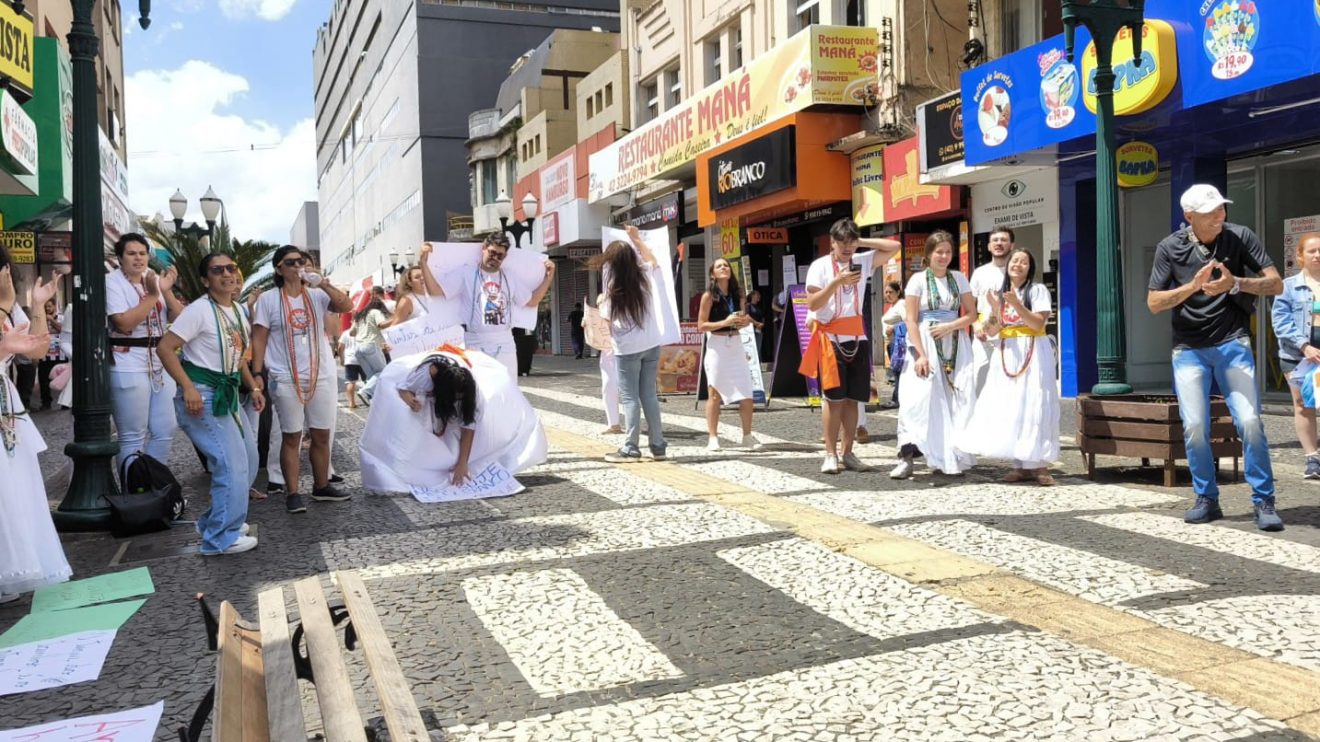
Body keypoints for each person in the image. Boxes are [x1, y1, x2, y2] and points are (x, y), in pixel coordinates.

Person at [1147, 184, 1283, 531]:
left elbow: (1275, 283)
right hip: (1188, 349)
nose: (1220, 216)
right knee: (1194, 427)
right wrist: (1192, 286)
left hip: (1232, 342)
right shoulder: (1169, 248)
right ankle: (1206, 498)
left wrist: (1235, 283)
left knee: (1250, 421)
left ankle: (1264, 500)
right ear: (1189, 217)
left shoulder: (1239, 236)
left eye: (1221, 209)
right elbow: (1154, 303)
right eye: (1211, 213)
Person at [156, 254, 265, 556]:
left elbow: (238, 357)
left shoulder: (238, 311)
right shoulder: (199, 310)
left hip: (227, 392)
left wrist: (252, 386)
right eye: (218, 271)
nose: (227, 274)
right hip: (203, 395)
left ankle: (217, 521)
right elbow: (164, 348)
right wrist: (187, 387)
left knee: (250, 459)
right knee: (231, 465)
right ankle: (220, 538)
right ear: (206, 280)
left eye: (232, 268)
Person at [251, 245, 355, 514]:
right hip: (285, 377)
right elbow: (259, 337)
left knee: (321, 433)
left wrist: (324, 283)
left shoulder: (317, 295)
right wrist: (257, 373)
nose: (297, 266)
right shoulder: (269, 300)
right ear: (279, 269)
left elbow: (347, 306)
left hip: (319, 374)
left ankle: (321, 487)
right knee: (291, 436)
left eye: (301, 261)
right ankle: (293, 492)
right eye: (290, 262)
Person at [359, 347, 547, 491]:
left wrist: (462, 463)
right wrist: (410, 400)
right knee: (411, 421)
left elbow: (469, 426)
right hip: (421, 383)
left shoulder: (473, 391)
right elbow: (402, 388)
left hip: (457, 376)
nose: (458, 400)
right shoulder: (428, 373)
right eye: (454, 398)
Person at [799, 218, 900, 474]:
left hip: (857, 336)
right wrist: (836, 282)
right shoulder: (820, 266)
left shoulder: (862, 260)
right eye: (841, 242)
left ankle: (848, 451)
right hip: (830, 337)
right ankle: (830, 454)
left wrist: (861, 241)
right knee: (834, 399)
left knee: (854, 400)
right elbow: (812, 303)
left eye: (850, 242)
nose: (846, 248)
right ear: (832, 242)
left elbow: (895, 246)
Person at [0, 258, 71, 603]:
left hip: (7, 406)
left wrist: (40, 303)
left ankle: (12, 568)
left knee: (15, 486)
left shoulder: (11, 310)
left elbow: (38, 349)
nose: (7, 277)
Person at [957, 248, 1058, 485]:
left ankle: (1040, 464)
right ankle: (1020, 464)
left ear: (1030, 267)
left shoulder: (1038, 290)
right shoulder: (1002, 294)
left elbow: (1037, 324)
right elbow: (994, 329)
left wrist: (1018, 305)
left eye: (1024, 262)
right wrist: (993, 309)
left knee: (1035, 403)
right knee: (1013, 405)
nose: (1018, 265)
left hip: (1032, 350)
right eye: (1015, 261)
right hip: (1008, 352)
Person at [892, 231, 978, 480]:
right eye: (938, 252)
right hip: (925, 342)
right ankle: (907, 456)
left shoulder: (959, 278)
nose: (943, 256)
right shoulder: (918, 280)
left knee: (954, 399)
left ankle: (947, 456)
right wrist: (920, 354)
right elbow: (910, 318)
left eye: (948, 252)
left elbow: (972, 314)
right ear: (928, 254)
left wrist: (950, 327)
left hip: (955, 342)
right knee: (916, 400)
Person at [420, 233, 556, 379]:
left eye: (500, 256)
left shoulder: (509, 276)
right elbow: (435, 291)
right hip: (476, 342)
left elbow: (532, 301)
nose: (495, 258)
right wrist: (423, 262)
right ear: (484, 248)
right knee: (480, 392)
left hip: (504, 343)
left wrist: (549, 277)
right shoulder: (467, 272)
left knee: (507, 389)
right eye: (492, 253)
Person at [590, 225, 669, 462]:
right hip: (651, 343)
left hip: (627, 350)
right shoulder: (644, 276)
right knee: (649, 395)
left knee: (630, 398)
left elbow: (606, 322)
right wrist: (636, 239)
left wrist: (602, 300)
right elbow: (653, 260)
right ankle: (658, 445)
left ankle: (631, 446)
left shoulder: (611, 294)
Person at [106, 233, 183, 470]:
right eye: (131, 254)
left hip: (159, 361)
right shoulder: (112, 282)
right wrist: (152, 296)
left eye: (142, 253)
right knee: (132, 435)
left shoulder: (151, 278)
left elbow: (179, 317)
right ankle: (132, 493)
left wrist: (165, 290)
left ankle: (151, 485)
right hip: (127, 359)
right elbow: (124, 323)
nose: (138, 259)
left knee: (165, 429)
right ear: (120, 258)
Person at [1272, 232, 1320, 480]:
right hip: (1297, 357)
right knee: (1303, 405)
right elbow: (1280, 322)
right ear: (1300, 256)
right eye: (1312, 251)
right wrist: (1304, 347)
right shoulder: (1288, 286)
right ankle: (1312, 458)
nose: (1318, 255)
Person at [698, 258, 759, 452]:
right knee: (714, 392)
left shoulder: (738, 294)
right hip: (717, 344)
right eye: (719, 266)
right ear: (712, 274)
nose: (724, 268)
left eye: (726, 265)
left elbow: (744, 318)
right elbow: (701, 325)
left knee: (746, 391)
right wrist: (724, 322)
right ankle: (713, 437)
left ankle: (747, 435)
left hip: (736, 342)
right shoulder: (709, 296)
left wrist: (745, 322)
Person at [970, 227, 1014, 393]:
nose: (999, 243)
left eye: (1003, 240)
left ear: (1012, 245)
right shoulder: (980, 273)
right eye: (995, 240)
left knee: (1008, 382)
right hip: (984, 336)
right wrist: (975, 325)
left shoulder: (1017, 272)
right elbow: (969, 305)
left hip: (1010, 336)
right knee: (980, 381)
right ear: (988, 246)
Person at [586, 293, 622, 433]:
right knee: (608, 388)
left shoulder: (620, 316)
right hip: (607, 354)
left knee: (628, 390)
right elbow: (593, 339)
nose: (601, 308)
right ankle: (613, 424)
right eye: (599, 305)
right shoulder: (598, 319)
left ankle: (635, 423)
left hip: (622, 352)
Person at [347, 292, 390, 405]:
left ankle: (373, 400)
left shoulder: (361, 315)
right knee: (383, 372)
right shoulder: (376, 312)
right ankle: (365, 391)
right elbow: (381, 324)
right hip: (371, 345)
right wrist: (395, 319)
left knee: (372, 377)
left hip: (358, 349)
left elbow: (352, 333)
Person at [880, 281, 906, 409]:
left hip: (898, 343)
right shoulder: (892, 306)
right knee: (897, 372)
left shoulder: (901, 304)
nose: (888, 295)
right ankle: (898, 398)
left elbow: (908, 321)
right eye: (886, 292)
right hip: (891, 343)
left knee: (898, 372)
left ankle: (897, 399)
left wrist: (894, 327)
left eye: (891, 292)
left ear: (898, 293)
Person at [746, 289, 766, 357]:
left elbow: (763, 317)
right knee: (752, 349)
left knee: (758, 349)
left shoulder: (758, 307)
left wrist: (762, 324)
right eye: (757, 294)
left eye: (759, 295)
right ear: (752, 296)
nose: (759, 296)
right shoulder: (748, 305)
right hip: (751, 331)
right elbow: (747, 316)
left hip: (759, 330)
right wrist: (756, 323)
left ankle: (759, 365)